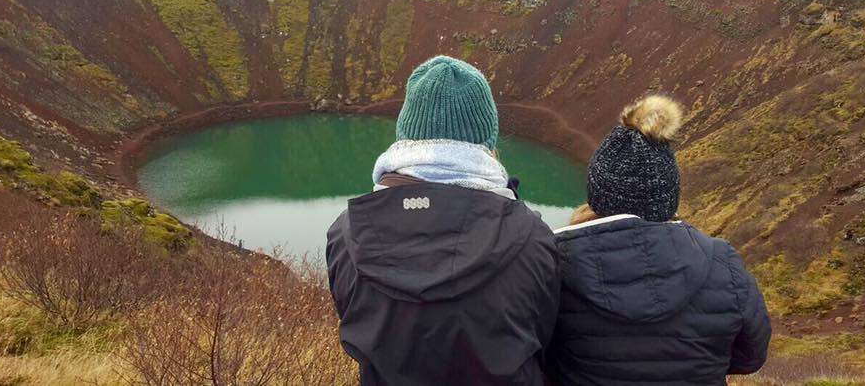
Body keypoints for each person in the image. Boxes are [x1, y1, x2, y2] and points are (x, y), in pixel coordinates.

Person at [326, 55, 560, 385]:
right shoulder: (533, 238)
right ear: (486, 141)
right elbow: (544, 339)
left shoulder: (346, 232)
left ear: (405, 134)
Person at [547, 95, 771, 385]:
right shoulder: (722, 262)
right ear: (667, 194)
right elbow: (750, 357)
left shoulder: (552, 261)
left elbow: (536, 354)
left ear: (598, 192)